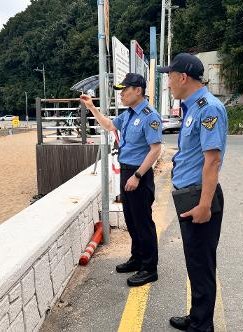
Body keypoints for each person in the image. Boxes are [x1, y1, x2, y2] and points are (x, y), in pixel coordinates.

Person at [158, 53, 228, 332]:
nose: (169, 83)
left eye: (170, 77)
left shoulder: (208, 108)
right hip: (190, 194)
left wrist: (204, 205)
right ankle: (198, 316)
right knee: (196, 264)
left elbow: (213, 160)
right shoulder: (193, 107)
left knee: (201, 267)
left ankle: (202, 326)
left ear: (183, 77)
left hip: (200, 198)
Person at [79, 73, 162, 287]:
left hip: (139, 175)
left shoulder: (149, 115)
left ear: (138, 90)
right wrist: (92, 108)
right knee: (132, 220)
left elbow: (155, 150)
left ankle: (149, 268)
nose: (122, 94)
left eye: (125, 89)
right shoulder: (128, 115)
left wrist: (137, 176)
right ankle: (137, 258)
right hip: (127, 172)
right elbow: (108, 125)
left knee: (143, 223)